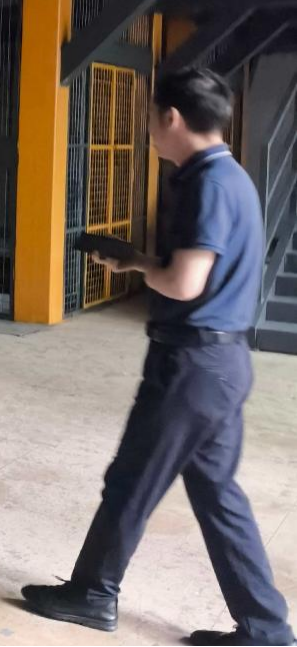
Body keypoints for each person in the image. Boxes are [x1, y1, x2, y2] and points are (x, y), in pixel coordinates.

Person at [21, 67, 295, 647]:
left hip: (190, 367)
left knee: (131, 481)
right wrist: (137, 260)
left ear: (170, 117)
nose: (147, 126)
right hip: (223, 365)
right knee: (218, 495)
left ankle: (93, 594)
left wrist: (142, 265)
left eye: (150, 115)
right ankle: (266, 629)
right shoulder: (232, 177)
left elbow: (184, 282)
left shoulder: (207, 184)